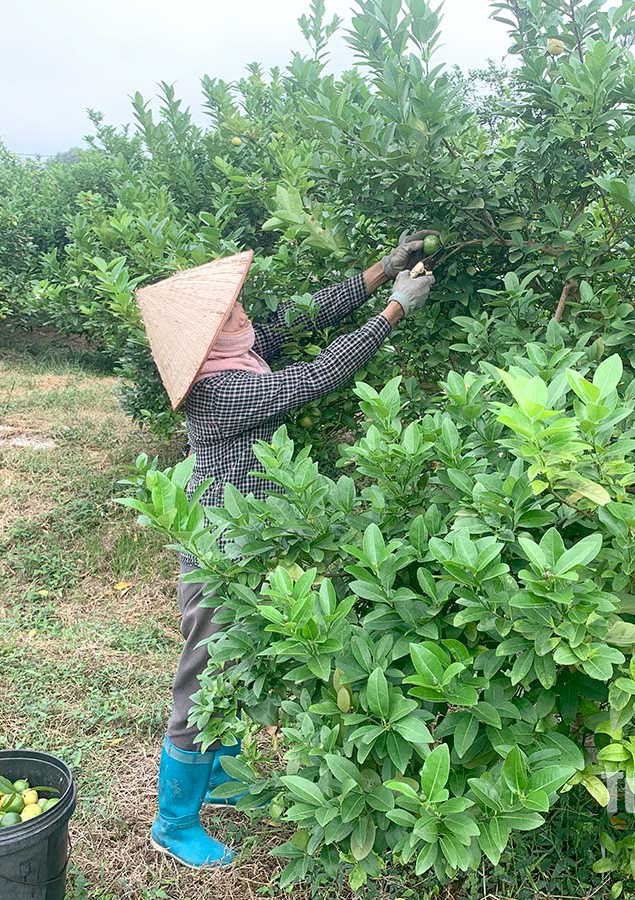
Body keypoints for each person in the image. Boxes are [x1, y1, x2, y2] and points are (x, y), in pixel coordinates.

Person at [135, 231, 437, 868]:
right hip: (219, 538)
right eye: (233, 314)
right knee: (207, 663)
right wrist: (396, 311)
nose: (247, 317)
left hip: (252, 528)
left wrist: (381, 268)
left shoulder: (236, 354)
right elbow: (312, 379)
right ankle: (173, 819)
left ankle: (219, 776)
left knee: (239, 650)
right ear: (207, 339)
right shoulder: (219, 391)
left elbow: (304, 318)